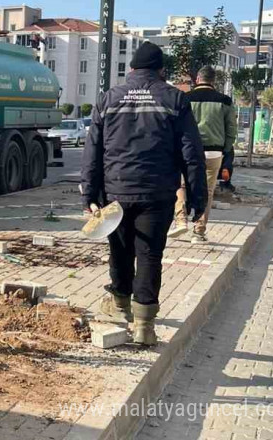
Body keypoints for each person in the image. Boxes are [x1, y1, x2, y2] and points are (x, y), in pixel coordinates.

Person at [82, 42, 207, 345]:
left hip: (116, 191)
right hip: (157, 192)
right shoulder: (175, 98)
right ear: (161, 69)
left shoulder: (109, 98)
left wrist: (90, 192)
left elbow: (93, 149)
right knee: (150, 254)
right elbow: (191, 153)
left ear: (133, 69)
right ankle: (144, 327)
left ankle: (121, 304)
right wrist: (196, 197)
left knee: (120, 250)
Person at [168, 66, 238, 243]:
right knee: (207, 190)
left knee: (181, 185)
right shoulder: (225, 101)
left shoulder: (185, 98)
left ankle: (180, 219)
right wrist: (225, 149)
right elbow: (231, 129)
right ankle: (199, 231)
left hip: (188, 151)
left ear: (197, 79)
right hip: (214, 152)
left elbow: (175, 125)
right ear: (213, 81)